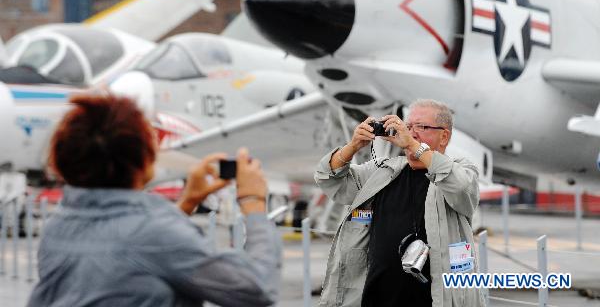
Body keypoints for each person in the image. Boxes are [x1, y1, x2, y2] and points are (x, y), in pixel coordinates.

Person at [27, 94, 281, 307]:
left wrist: (186, 203)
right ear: (144, 159)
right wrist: (253, 203)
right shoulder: (153, 233)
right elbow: (254, 288)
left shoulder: (57, 227)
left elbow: (130, 247)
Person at [315, 99, 483, 307]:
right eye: (408, 126)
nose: (411, 133)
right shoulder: (383, 172)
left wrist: (413, 145)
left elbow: (461, 188)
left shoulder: (461, 171)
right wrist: (353, 146)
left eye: (421, 127)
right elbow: (327, 178)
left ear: (444, 136)